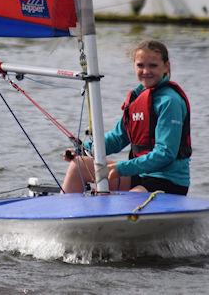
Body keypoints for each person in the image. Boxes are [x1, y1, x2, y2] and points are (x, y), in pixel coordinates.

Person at [61, 39, 191, 195]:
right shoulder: (137, 99)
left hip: (167, 181)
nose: (146, 71)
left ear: (166, 67)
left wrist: (122, 168)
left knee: (129, 199)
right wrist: (85, 149)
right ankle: (64, 215)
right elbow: (118, 138)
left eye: (153, 66)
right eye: (140, 65)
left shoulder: (170, 102)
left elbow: (165, 154)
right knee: (78, 165)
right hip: (138, 175)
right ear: (134, 66)